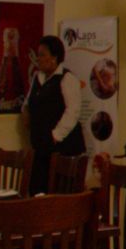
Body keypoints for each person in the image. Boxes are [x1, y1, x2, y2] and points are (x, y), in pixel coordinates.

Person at [22, 36, 83, 193]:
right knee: (38, 189)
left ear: (54, 57)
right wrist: (26, 114)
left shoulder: (67, 78)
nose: (38, 59)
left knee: (59, 190)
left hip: (62, 146)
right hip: (40, 146)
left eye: (42, 55)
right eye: (38, 54)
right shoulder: (38, 77)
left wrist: (56, 135)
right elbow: (28, 102)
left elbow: (73, 111)